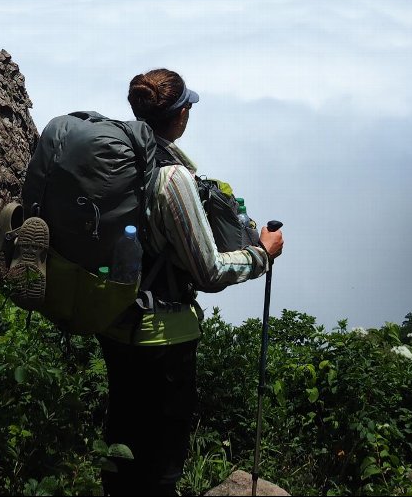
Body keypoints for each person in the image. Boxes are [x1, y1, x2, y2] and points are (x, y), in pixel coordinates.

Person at [96, 68, 285, 496]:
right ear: (179, 116)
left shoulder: (121, 160)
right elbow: (209, 271)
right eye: (188, 107)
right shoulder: (170, 178)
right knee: (161, 462)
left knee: (122, 441)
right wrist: (262, 255)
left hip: (114, 321)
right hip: (162, 341)